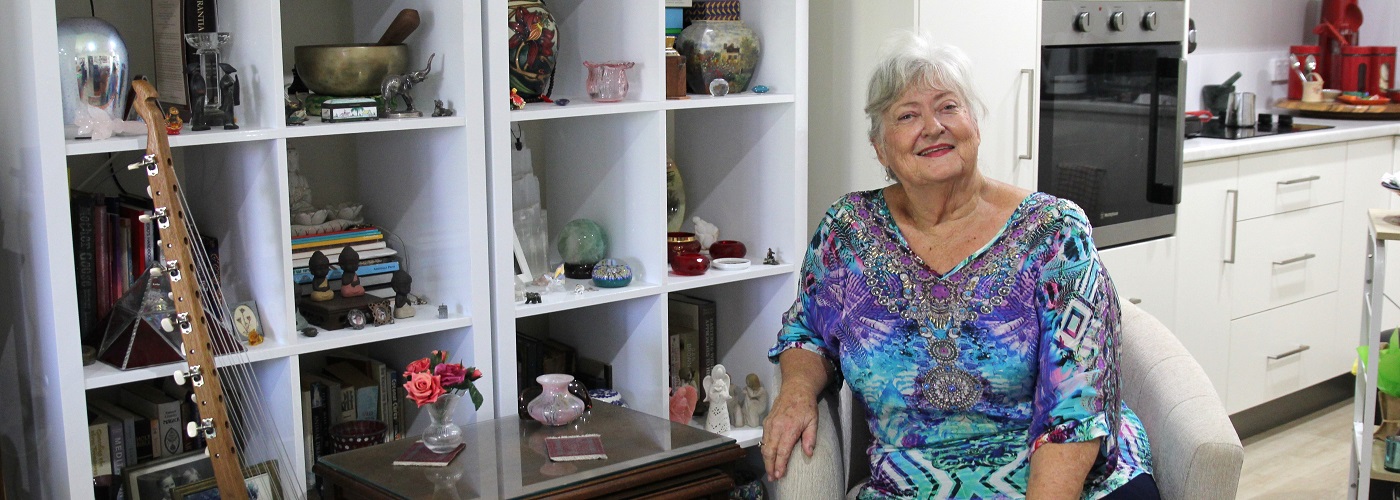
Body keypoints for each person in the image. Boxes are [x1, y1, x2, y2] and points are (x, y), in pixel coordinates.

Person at [762, 32, 1156, 499]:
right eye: (908, 115)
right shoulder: (848, 230)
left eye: (948, 107)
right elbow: (805, 331)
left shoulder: (1054, 233)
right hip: (911, 486)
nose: (933, 127)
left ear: (975, 124)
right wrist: (796, 390)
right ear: (880, 148)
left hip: (1063, 482)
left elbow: (1075, 406)